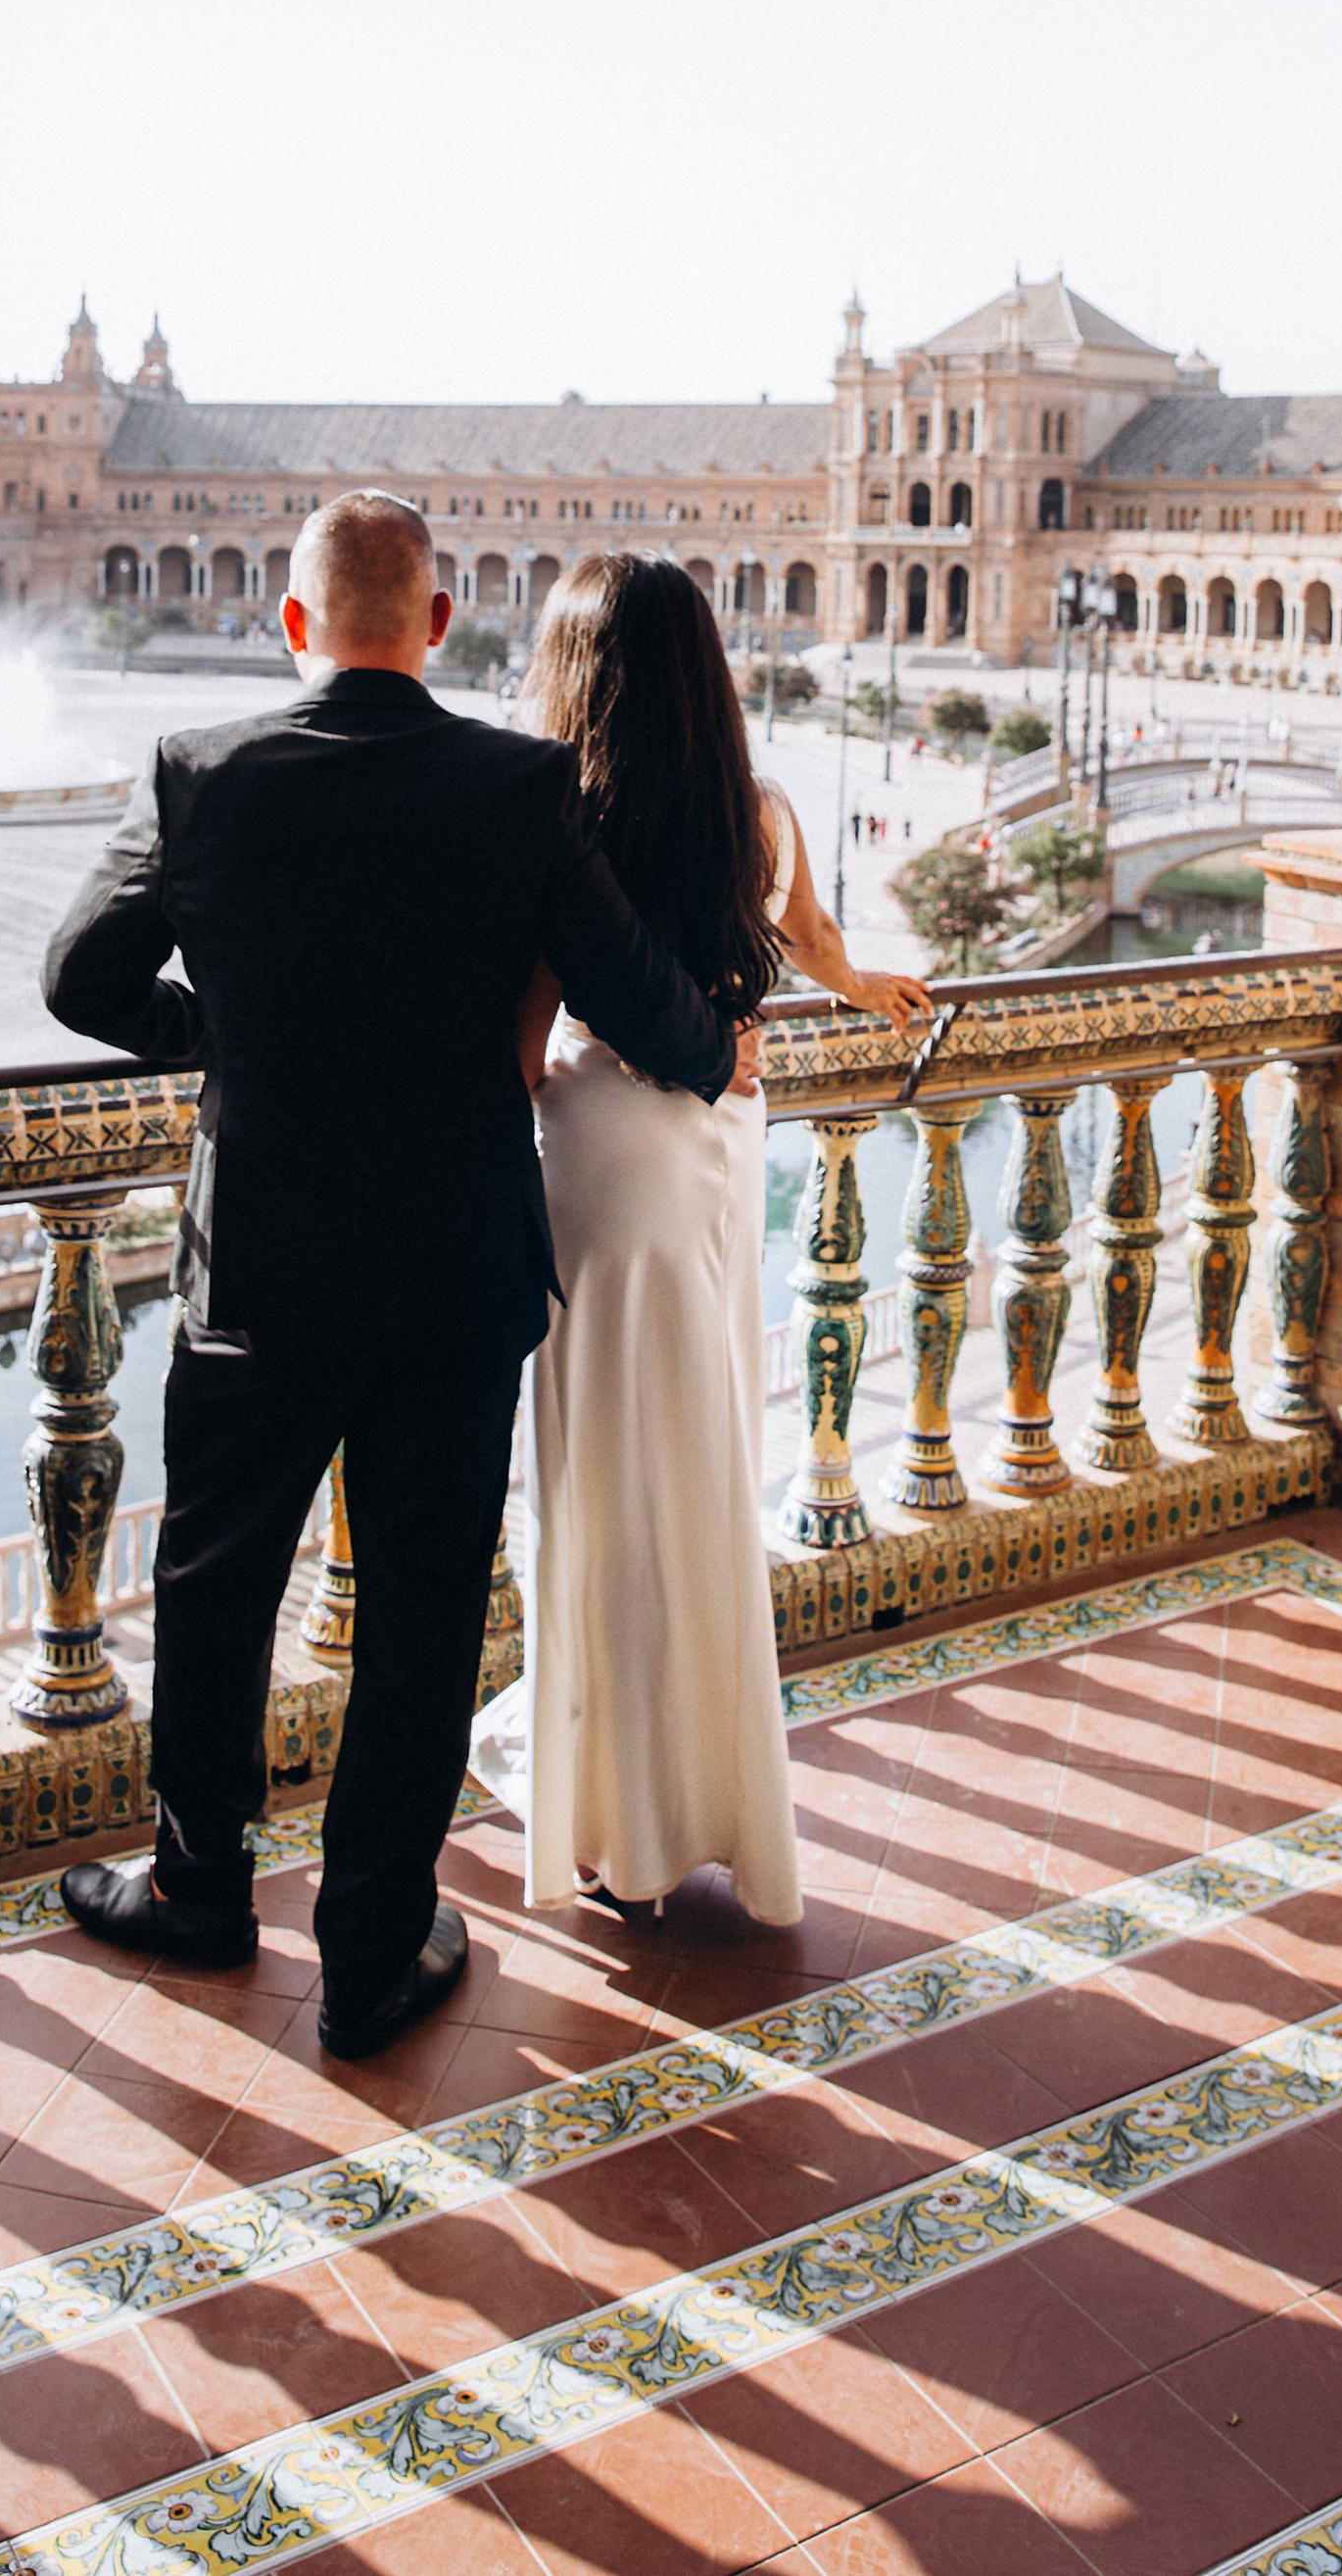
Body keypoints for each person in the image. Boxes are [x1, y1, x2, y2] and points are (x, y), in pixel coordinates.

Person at [39, 492, 739, 2059]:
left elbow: (77, 976)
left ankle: (202, 1887)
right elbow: (656, 1007)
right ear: (436, 626)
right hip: (449, 1277)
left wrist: (221, 1040)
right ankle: (370, 1950)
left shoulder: (201, 776)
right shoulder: (521, 786)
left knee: (215, 1589)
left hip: (258, 1275)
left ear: (294, 624)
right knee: (421, 1614)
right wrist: (717, 1036)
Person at [470, 556, 928, 1923]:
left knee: (595, 1499)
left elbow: (526, 1039)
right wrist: (863, 986)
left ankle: (610, 1813)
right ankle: (707, 1794)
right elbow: (815, 934)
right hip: (723, 1164)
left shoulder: (560, 823)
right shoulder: (762, 812)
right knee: (707, 1475)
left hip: (602, 1159)